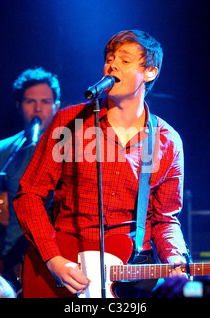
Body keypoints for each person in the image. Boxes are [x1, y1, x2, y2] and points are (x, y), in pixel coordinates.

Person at [13, 30, 189, 298]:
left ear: (150, 72)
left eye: (125, 60)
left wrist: (175, 257)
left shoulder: (167, 141)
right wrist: (53, 260)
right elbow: (29, 194)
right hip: (60, 269)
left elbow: (165, 218)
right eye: (110, 58)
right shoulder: (69, 123)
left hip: (125, 276)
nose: (113, 65)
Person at [0, 67, 60, 289]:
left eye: (46, 101)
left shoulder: (71, 147)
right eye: (30, 101)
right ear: (18, 106)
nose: (38, 108)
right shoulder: (2, 151)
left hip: (60, 255)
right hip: (15, 258)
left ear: (57, 105)